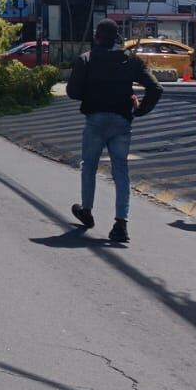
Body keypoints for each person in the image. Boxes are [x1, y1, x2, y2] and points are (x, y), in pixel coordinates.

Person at [66, 19, 162, 244]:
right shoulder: (130, 60)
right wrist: (140, 110)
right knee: (121, 171)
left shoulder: (86, 59)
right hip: (121, 122)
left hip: (95, 120)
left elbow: (72, 91)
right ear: (116, 38)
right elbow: (156, 88)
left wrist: (91, 93)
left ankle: (86, 211)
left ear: (97, 37)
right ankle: (121, 223)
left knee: (88, 166)